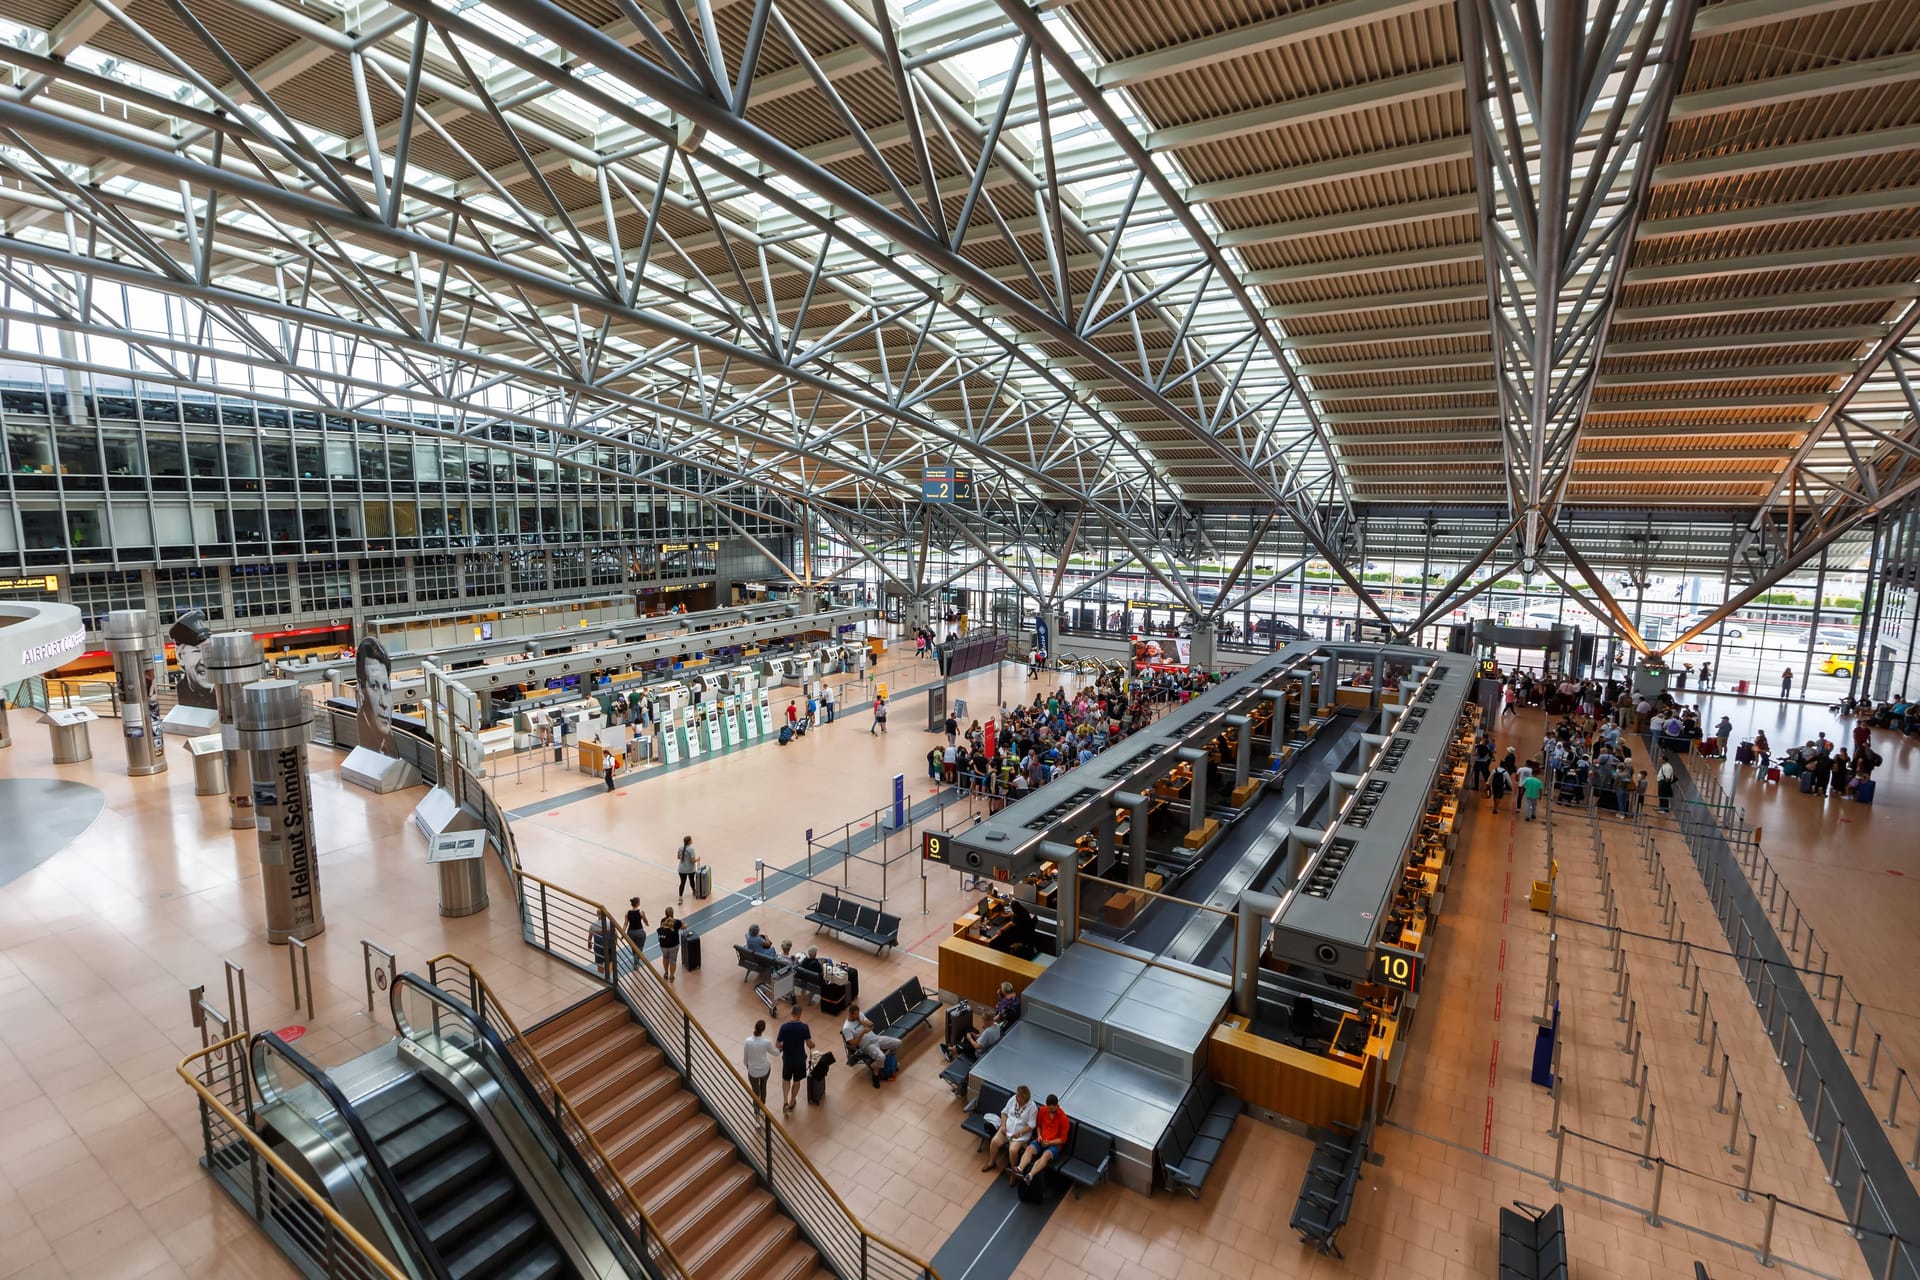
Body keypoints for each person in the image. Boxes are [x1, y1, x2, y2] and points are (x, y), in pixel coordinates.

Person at [1011, 1094, 1070, 1185]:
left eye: (1052, 1109)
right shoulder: (1043, 1110)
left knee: (1045, 1156)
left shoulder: (1064, 1119)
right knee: (1029, 1149)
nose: (1050, 1110)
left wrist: (1049, 1143)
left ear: (1057, 1105)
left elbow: (1063, 1139)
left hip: (1054, 1145)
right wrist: (1039, 1136)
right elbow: (1039, 1126)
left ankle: (1030, 1175)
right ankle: (1020, 1169)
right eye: (1048, 1108)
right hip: (1041, 1140)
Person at [981, 1084, 1038, 1173]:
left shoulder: (1032, 1107)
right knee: (994, 1142)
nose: (1016, 1096)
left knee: (1013, 1150)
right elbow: (1004, 1113)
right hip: (1006, 1129)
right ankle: (992, 1163)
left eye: (1018, 1096)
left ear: (1024, 1098)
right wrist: (1003, 1126)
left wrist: (1019, 1133)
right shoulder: (1013, 1099)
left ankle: (1013, 1171)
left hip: (1020, 1135)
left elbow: (1031, 1125)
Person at [354, 635, 396, 754]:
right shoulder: (362, 733)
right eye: (374, 686)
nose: (383, 703)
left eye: (386, 688)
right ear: (362, 690)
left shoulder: (389, 741)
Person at [167, 610, 216, 709]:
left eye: (208, 650)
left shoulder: (225, 691)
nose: (204, 661)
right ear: (180, 656)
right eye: (196, 651)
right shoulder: (183, 694)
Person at [776, 1004, 813, 1113]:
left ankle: (785, 1101)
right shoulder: (804, 1027)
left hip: (787, 1058)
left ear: (791, 1013)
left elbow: (778, 1045)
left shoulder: (784, 1027)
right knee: (797, 1081)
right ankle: (792, 1101)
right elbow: (810, 1044)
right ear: (800, 1014)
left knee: (786, 1079)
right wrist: (813, 1044)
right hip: (800, 1059)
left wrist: (785, 1047)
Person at [744, 1019, 774, 1103]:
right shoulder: (766, 1042)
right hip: (765, 1069)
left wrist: (748, 1066)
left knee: (755, 1092)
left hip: (753, 1072)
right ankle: (763, 1107)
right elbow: (775, 1053)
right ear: (763, 1030)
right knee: (763, 1088)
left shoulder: (747, 1042)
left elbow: (745, 1059)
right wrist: (780, 1049)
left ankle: (757, 1113)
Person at [657, 910, 682, 982]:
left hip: (663, 945)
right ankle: (671, 976)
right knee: (673, 961)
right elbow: (682, 926)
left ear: (665, 913)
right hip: (674, 945)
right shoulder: (677, 922)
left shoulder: (662, 921)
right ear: (673, 913)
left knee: (665, 957)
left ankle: (666, 973)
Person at [676, 836, 698, 902]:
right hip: (690, 869)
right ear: (689, 842)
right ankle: (694, 891)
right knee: (691, 880)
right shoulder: (691, 849)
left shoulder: (680, 848)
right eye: (691, 840)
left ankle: (680, 897)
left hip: (681, 869)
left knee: (682, 882)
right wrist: (697, 859)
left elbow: (678, 857)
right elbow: (693, 861)